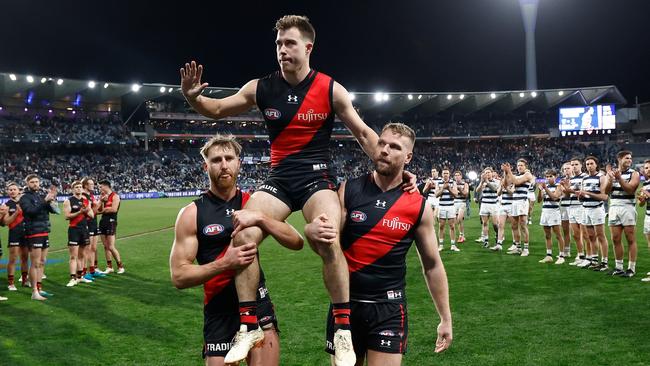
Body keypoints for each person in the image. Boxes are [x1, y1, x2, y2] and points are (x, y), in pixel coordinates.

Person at [180, 15, 414, 365]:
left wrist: (397, 173)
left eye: (289, 43)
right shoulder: (261, 87)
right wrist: (192, 97)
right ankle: (248, 326)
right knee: (241, 231)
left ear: (308, 47)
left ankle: (343, 329)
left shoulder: (330, 89)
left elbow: (366, 134)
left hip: (317, 178)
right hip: (279, 179)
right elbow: (215, 109)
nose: (282, 50)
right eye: (278, 44)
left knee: (328, 234)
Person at [305, 123, 452, 365]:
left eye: (394, 147)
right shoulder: (348, 190)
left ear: (408, 157)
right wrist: (311, 232)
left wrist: (445, 318)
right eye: (382, 143)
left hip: (388, 309)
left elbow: (432, 265)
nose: (384, 150)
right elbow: (327, 248)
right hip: (345, 306)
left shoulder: (419, 206)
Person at [170, 134, 304, 366]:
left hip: (258, 303)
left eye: (229, 158)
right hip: (218, 307)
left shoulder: (254, 203)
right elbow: (179, 276)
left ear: (239, 163)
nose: (224, 165)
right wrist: (224, 263)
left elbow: (296, 241)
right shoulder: (192, 213)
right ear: (206, 166)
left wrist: (262, 218)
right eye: (216, 160)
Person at [19, 174, 58, 300]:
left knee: (42, 262)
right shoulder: (24, 197)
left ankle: (39, 289)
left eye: (37, 182)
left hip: (44, 231)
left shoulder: (39, 195)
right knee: (35, 263)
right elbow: (31, 211)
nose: (35, 184)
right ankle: (34, 292)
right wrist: (44, 201)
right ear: (27, 183)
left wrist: (52, 199)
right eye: (32, 182)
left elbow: (55, 211)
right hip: (33, 232)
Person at [604, 151, 640, 277]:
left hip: (627, 207)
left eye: (630, 158)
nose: (630, 160)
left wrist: (619, 178)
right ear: (619, 159)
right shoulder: (612, 173)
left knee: (630, 238)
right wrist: (610, 179)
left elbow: (630, 190)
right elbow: (605, 191)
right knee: (615, 238)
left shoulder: (634, 173)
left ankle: (631, 268)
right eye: (627, 158)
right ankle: (619, 267)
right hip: (613, 206)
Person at [574, 156, 609, 271]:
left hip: (596, 210)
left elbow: (604, 197)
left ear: (596, 165)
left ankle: (604, 262)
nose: (589, 166)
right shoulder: (584, 179)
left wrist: (588, 193)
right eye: (587, 164)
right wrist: (581, 196)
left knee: (600, 236)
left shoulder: (602, 177)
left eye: (591, 163)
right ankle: (594, 260)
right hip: (586, 209)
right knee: (591, 236)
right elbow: (583, 198)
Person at [63, 181, 94, 287]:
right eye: (76, 187)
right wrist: (79, 212)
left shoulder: (86, 200)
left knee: (82, 255)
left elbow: (92, 215)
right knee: (73, 256)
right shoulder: (68, 201)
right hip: (74, 229)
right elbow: (67, 216)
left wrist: (86, 211)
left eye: (80, 187)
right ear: (72, 189)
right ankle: (72, 278)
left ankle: (80, 277)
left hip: (84, 229)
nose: (79, 189)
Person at [502, 160, 535, 256]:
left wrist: (509, 171)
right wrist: (505, 172)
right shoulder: (515, 175)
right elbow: (506, 184)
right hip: (514, 202)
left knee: (523, 225)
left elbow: (515, 181)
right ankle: (518, 247)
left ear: (525, 166)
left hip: (522, 202)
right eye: (518, 165)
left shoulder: (528, 175)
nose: (519, 167)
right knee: (514, 226)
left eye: (521, 165)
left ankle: (526, 249)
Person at [2, 182, 29, 292]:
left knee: (25, 258)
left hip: (26, 233)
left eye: (14, 189)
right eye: (10, 189)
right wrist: (16, 213)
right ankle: (11, 283)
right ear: (7, 192)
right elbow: (5, 222)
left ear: (19, 191)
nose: (12, 191)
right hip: (14, 233)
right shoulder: (6, 205)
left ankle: (24, 280)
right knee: (13, 259)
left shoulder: (25, 202)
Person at [537, 170, 566, 264]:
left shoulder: (559, 186)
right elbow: (539, 200)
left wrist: (545, 189)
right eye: (547, 177)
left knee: (558, 235)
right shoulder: (546, 186)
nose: (548, 178)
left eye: (550, 176)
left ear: (555, 177)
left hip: (554, 212)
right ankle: (549, 255)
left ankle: (561, 256)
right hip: (545, 211)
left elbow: (555, 197)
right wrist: (540, 190)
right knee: (547, 235)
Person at [97, 180, 124, 274]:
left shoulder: (115, 196)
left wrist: (103, 210)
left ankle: (120, 266)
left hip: (111, 222)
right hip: (103, 222)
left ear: (105, 186)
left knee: (111, 246)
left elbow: (113, 209)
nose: (99, 189)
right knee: (105, 246)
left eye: (100, 187)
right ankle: (109, 266)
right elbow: (97, 210)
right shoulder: (102, 197)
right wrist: (102, 202)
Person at [82, 177, 106, 280]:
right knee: (87, 249)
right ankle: (84, 272)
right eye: (90, 184)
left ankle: (92, 270)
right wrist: (100, 201)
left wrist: (101, 202)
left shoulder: (91, 195)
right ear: (85, 185)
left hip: (94, 223)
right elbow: (92, 212)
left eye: (93, 184)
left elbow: (99, 210)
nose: (93, 185)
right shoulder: (83, 196)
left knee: (93, 248)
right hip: (88, 223)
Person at [476, 168, 502, 249]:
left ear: (492, 173)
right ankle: (486, 241)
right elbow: (477, 190)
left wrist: (487, 182)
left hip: (494, 205)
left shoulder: (496, 181)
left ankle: (498, 235)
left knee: (495, 224)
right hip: (484, 204)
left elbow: (495, 189)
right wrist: (481, 181)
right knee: (485, 223)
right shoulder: (483, 182)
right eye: (486, 173)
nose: (487, 174)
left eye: (489, 172)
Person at [435, 168, 460, 252]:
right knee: (441, 226)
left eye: (447, 173)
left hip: (450, 207)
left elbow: (456, 195)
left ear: (449, 174)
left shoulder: (453, 182)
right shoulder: (438, 182)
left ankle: (453, 245)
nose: (445, 175)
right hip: (441, 206)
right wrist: (443, 188)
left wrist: (448, 188)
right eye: (444, 173)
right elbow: (436, 195)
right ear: (441, 174)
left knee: (452, 226)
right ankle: (441, 245)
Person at [638, 160, 650, 282]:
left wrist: (647, 194)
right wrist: (642, 200)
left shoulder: (645, 187)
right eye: (646, 168)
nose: (648, 169)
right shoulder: (645, 184)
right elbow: (641, 205)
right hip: (648, 216)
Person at [559, 162, 573, 258]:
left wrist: (566, 188)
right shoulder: (562, 180)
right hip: (564, 206)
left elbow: (568, 194)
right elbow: (562, 194)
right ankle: (566, 251)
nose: (566, 170)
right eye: (564, 169)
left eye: (568, 168)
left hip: (573, 206)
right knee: (565, 230)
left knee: (577, 231)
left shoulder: (577, 179)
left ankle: (583, 254)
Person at [453, 171, 469, 244]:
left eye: (458, 175)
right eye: (455, 175)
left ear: (461, 176)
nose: (457, 177)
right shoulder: (452, 184)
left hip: (462, 203)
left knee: (459, 219)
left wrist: (460, 190)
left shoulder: (465, 184)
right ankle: (461, 235)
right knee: (458, 221)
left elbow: (466, 194)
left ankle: (461, 235)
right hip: (454, 203)